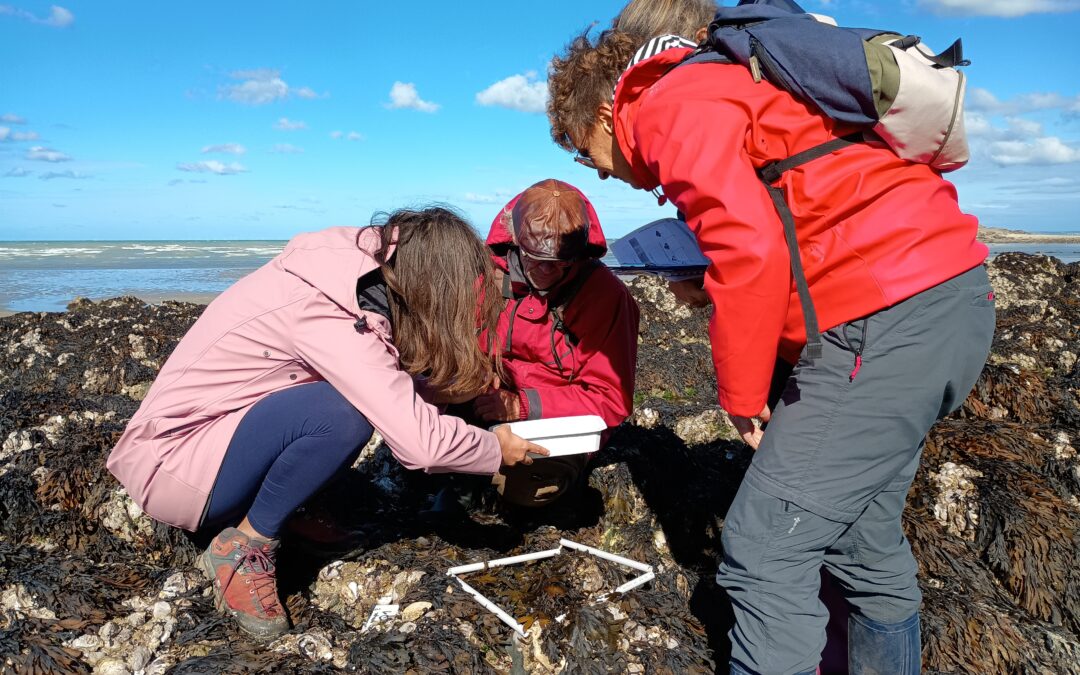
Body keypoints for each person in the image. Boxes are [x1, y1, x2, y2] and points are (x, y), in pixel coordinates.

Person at [546, 27, 995, 675]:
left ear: (601, 113)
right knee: (860, 544)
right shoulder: (729, 84)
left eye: (587, 155)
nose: (600, 171)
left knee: (762, 555)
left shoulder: (667, 103)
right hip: (948, 300)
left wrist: (743, 397)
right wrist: (711, 281)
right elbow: (802, 215)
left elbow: (750, 247)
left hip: (881, 318)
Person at [107, 207, 548, 640]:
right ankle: (243, 546)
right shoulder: (328, 313)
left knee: (350, 407)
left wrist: (445, 391)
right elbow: (421, 446)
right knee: (343, 414)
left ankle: (286, 509)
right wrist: (496, 451)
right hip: (175, 469)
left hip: (215, 441)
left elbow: (387, 379)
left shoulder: (350, 276)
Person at [426, 179, 640, 516]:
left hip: (554, 419)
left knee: (529, 486)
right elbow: (449, 341)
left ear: (580, 254)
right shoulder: (485, 275)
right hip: (485, 398)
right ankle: (461, 479)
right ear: (515, 242)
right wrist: (476, 368)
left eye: (559, 263)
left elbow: (610, 400)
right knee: (422, 415)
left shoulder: (607, 297)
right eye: (534, 258)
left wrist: (522, 406)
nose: (545, 271)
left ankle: (483, 481)